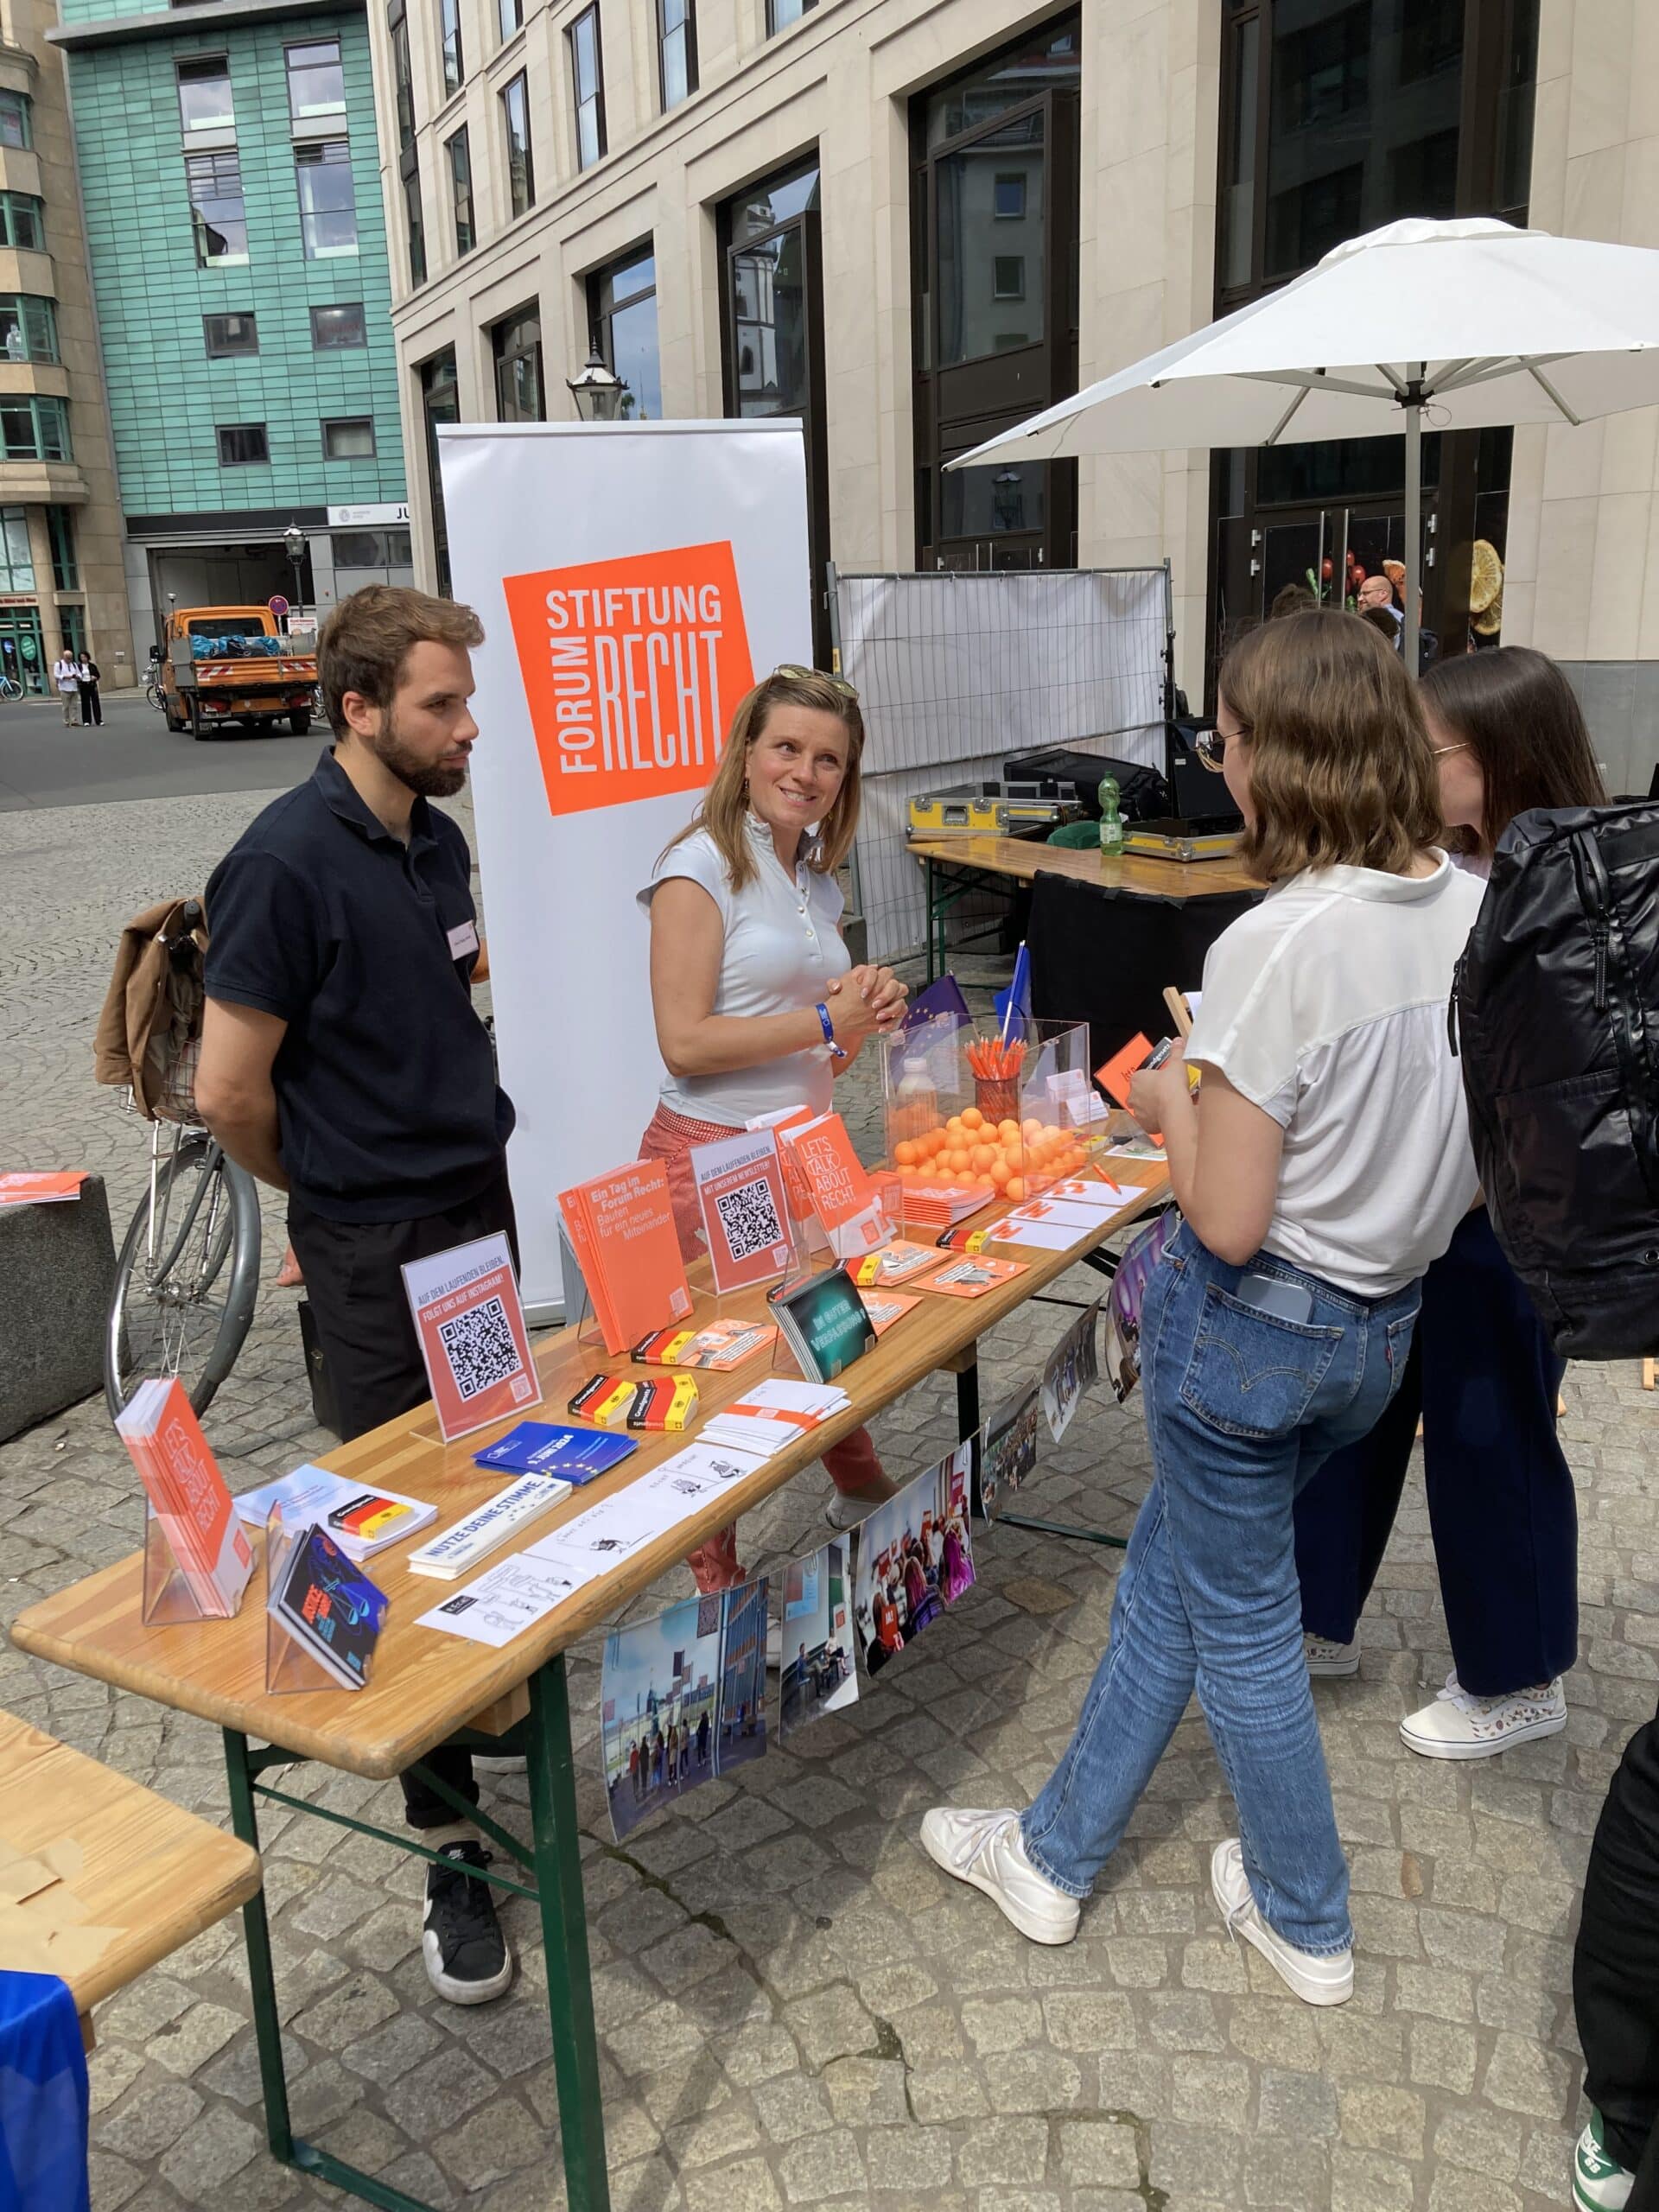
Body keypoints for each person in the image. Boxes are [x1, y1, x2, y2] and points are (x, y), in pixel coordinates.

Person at [920, 611, 1484, 2005]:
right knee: (1174, 1580)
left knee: (1238, 1625)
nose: (1213, 762)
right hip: (1380, 1325)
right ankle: (1052, 1858)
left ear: (1272, 756)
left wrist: (1175, 1096)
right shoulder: (1474, 903)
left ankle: (1306, 1914)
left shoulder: (1277, 944)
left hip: (1255, 1328)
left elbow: (1225, 1218)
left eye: (1222, 739)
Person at [195, 584, 518, 2010]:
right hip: (373, 1250)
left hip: (475, 1227)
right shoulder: (277, 867)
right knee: (400, 1544)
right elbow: (227, 1095)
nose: (467, 726)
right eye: (442, 704)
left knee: (501, 1493)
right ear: (359, 711)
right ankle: (451, 1850)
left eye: (466, 701)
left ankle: (500, 1721)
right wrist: (326, 1200)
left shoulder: (435, 846)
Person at [1294, 645, 1603, 1758]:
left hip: (1506, 1217)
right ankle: (1315, 1614)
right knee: (1363, 1411)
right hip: (1418, 1202)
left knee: (1489, 1427)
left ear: (1499, 757)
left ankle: (1520, 1676)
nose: (1404, 771)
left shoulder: (1567, 892)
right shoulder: (1448, 870)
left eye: (1425, 751)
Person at [639, 666, 907, 1590]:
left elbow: (814, 1051)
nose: (806, 771)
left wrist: (864, 1010)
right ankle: (718, 1587)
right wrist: (825, 1023)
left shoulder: (815, 880)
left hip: (802, 1148)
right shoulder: (697, 867)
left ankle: (867, 1491)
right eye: (788, 748)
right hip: (711, 1158)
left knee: (826, 1334)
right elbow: (683, 1042)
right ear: (747, 752)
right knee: (728, 1380)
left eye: (828, 758)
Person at [75, 654, 102, 728]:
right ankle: (86, 721)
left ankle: (98, 720)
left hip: (92, 684)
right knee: (85, 703)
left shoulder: (92, 665)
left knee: (95, 702)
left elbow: (98, 675)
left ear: (88, 657)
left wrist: (95, 677)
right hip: (84, 685)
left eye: (84, 657)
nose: (83, 658)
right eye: (82, 657)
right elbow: (77, 675)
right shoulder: (79, 666)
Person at [53, 651, 78, 727]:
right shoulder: (59, 664)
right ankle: (66, 721)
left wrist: (77, 676)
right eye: (68, 658)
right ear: (64, 657)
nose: (69, 660)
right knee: (66, 706)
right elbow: (56, 675)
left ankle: (74, 720)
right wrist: (65, 677)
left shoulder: (74, 664)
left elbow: (79, 673)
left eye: (70, 658)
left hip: (73, 687)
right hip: (64, 687)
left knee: (74, 705)